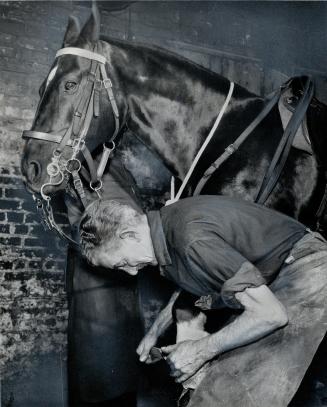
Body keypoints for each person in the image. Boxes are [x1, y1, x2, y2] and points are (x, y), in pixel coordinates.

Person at [78, 195, 327, 407]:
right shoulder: (167, 230)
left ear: (130, 235)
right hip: (275, 279)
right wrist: (156, 331)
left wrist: (199, 351)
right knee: (215, 381)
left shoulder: (190, 239)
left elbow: (270, 314)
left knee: (225, 392)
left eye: (122, 263)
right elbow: (192, 284)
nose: (131, 272)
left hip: (307, 267)